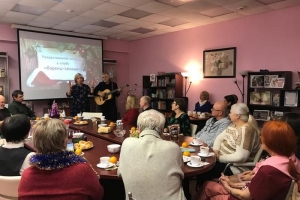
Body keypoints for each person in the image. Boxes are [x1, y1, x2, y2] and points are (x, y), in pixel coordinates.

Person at [195, 121, 300, 200]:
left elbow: (245, 195)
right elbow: (258, 186)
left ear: (270, 142)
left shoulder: (269, 171)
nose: (260, 137)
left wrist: (227, 186)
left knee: (210, 191)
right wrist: (231, 183)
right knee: (207, 185)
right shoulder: (292, 159)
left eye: (262, 135)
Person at [18, 119, 104, 199]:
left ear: (35, 144)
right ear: (64, 142)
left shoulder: (27, 176)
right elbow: (99, 195)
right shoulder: (82, 170)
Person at [118, 109, 185, 200]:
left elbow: (120, 173)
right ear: (162, 130)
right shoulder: (174, 148)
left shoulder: (127, 144)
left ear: (139, 128)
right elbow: (181, 175)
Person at [196, 103, 260, 187]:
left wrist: (218, 157)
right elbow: (219, 138)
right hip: (221, 159)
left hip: (233, 166)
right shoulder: (233, 125)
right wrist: (215, 150)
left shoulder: (246, 131)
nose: (229, 114)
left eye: (230, 112)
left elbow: (240, 157)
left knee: (203, 169)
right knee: (201, 163)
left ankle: (204, 192)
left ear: (237, 116)